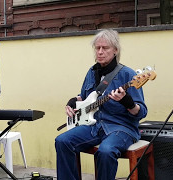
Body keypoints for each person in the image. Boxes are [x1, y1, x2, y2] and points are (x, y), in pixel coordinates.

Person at [55, 29, 147, 180]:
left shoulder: (129, 75)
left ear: (115, 50)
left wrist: (127, 102)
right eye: (97, 48)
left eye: (105, 48)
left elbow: (141, 112)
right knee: (62, 141)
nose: (100, 52)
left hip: (121, 128)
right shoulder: (92, 72)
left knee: (105, 151)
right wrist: (72, 102)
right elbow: (84, 99)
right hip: (95, 126)